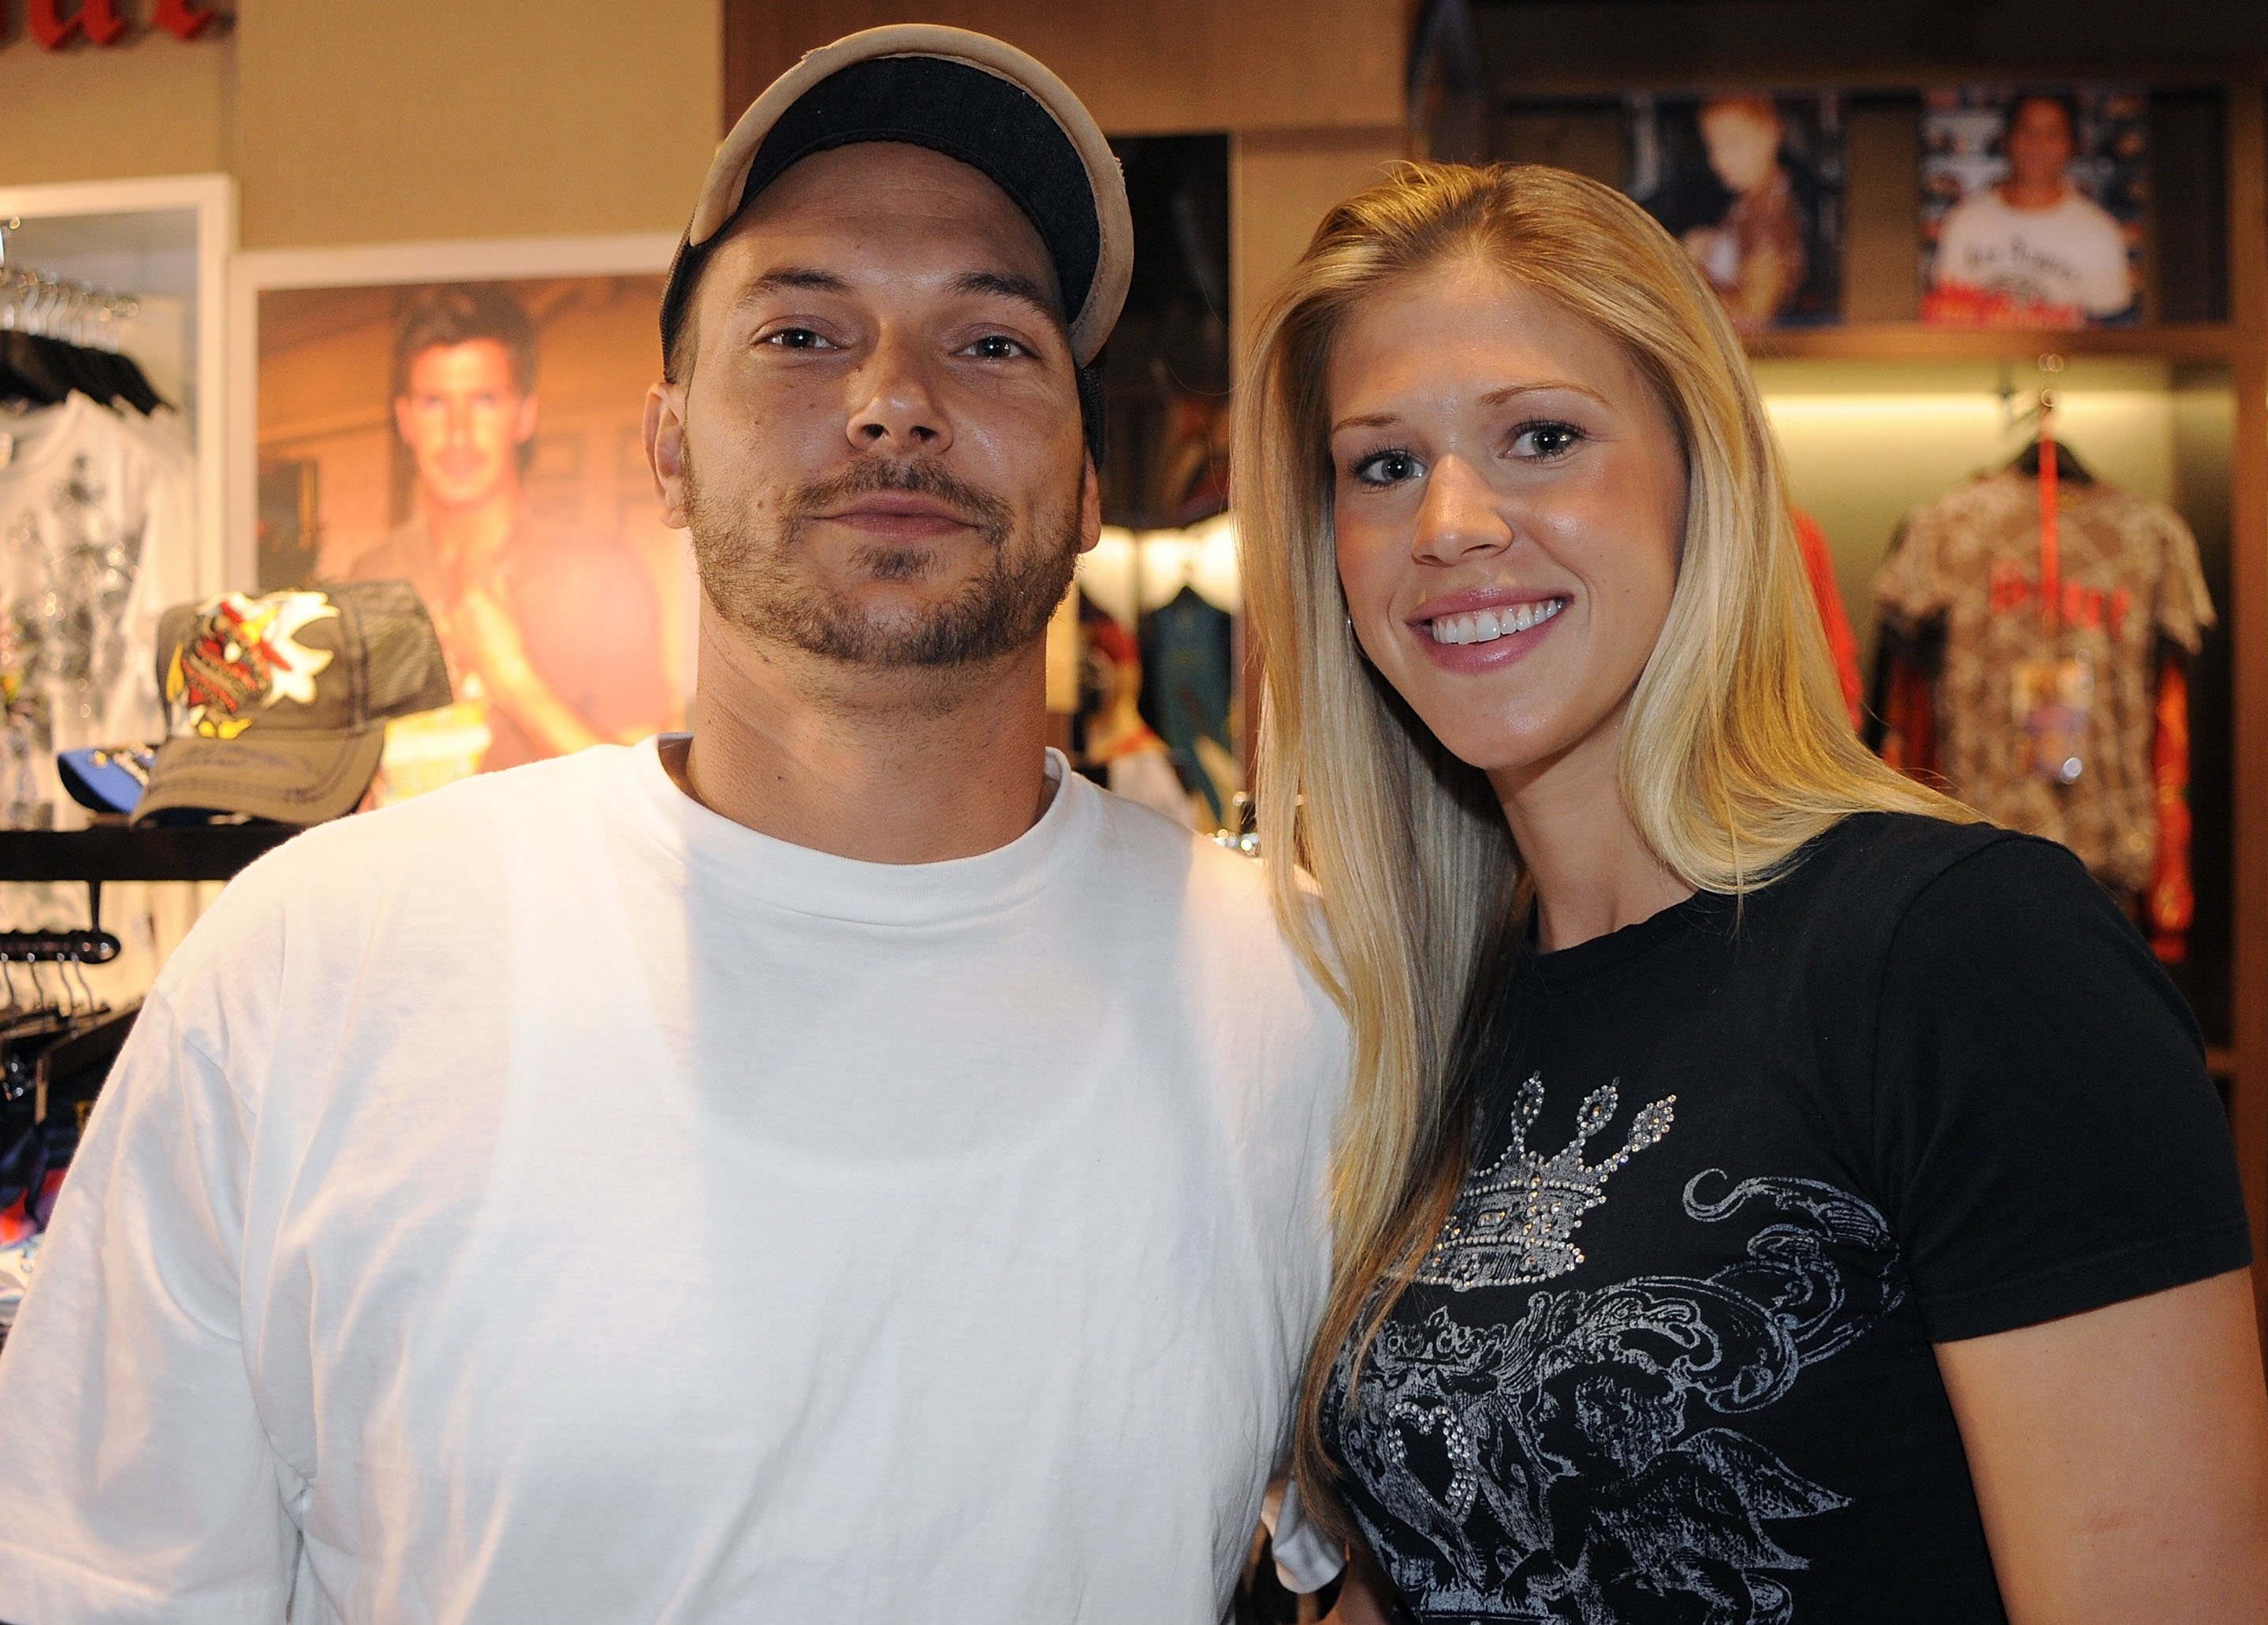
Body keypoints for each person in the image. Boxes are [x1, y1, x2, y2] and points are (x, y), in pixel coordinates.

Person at [0, 27, 1347, 1624]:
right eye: (800, 333)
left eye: (991, 344)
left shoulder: (1302, 1000)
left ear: (1086, 481)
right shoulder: (317, 967)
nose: (895, 402)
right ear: (667, 445)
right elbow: (103, 1581)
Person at [1238, 163, 2268, 1622]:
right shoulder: (1421, 1019)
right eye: (1382, 464)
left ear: (1700, 472)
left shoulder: (1964, 955)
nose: (1453, 523)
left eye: (1541, 436)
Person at [348, 284, 674, 781]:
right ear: (406, 419)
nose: (458, 434)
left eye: (484, 399)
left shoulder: (603, 573)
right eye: (435, 403)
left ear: (524, 414)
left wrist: (512, 678)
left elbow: (643, 795)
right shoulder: (370, 579)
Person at [1929, 92, 2136, 323]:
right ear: (2006, 140)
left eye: (2053, 134)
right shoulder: (1965, 220)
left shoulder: (2099, 231)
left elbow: (2109, 333)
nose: (2038, 144)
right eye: (2027, 131)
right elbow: (1946, 319)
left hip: (2063, 359)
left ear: (2072, 145)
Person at [1680, 94, 1806, 327]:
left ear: (1770, 134)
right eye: (1713, 147)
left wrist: (1687, 275)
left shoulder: (1768, 214)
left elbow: (1753, 317)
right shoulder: (1746, 204)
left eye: (1732, 144)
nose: (1718, 160)